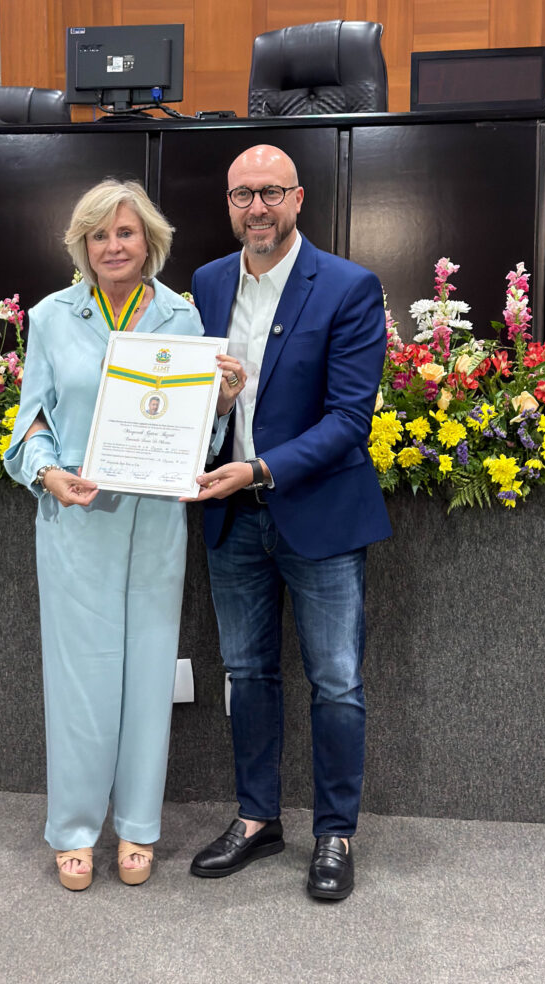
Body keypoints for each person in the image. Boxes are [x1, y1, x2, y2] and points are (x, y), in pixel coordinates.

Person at [3, 179, 244, 891]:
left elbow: (199, 435)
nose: (113, 245)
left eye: (126, 232)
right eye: (100, 234)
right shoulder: (52, 317)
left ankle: (138, 825)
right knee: (79, 682)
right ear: (82, 244)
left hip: (157, 519)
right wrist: (48, 474)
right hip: (77, 520)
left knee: (147, 676)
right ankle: (75, 829)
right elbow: (31, 420)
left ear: (150, 242)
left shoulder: (182, 316)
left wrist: (221, 403)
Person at [184, 145, 392, 900]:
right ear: (229, 204)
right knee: (247, 673)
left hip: (318, 515)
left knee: (336, 681)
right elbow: (192, 394)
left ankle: (335, 834)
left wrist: (261, 468)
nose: (257, 208)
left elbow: (348, 420)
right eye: (242, 195)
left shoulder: (347, 286)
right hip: (231, 518)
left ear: (298, 198)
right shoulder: (208, 283)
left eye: (271, 192)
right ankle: (256, 819)